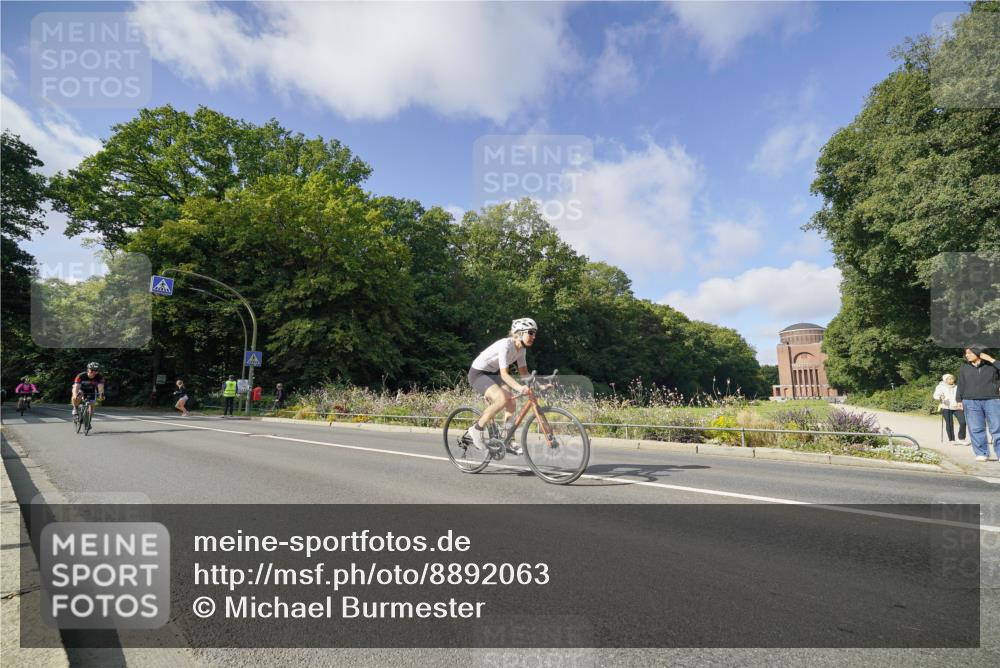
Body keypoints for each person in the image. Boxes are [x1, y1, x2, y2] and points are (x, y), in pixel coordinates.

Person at [466, 318, 544, 453]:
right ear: (519, 333)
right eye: (530, 333)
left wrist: (539, 385)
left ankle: (508, 440)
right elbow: (504, 375)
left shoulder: (522, 350)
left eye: (535, 333)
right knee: (502, 399)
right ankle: (476, 429)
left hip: (493, 374)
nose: (534, 337)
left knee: (511, 402)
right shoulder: (505, 345)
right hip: (478, 374)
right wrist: (520, 388)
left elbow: (524, 373)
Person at [956, 346, 1000, 462]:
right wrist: (959, 400)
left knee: (997, 428)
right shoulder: (964, 367)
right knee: (975, 428)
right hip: (970, 401)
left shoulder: (992, 366)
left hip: (992, 400)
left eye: (970, 353)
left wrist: (991, 359)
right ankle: (981, 453)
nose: (967, 355)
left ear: (979, 353)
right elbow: (961, 383)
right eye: (966, 353)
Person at [933, 373, 966, 444]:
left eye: (952, 378)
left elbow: (961, 395)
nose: (952, 380)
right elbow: (935, 396)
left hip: (956, 406)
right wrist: (940, 397)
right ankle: (951, 439)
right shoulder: (940, 387)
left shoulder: (957, 386)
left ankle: (961, 438)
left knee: (963, 422)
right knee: (950, 423)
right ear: (945, 380)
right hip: (946, 406)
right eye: (950, 379)